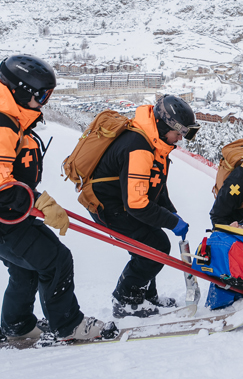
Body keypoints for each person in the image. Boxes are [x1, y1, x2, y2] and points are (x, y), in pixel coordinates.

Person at [0, 54, 116, 342]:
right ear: (21, 90)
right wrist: (40, 201)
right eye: (42, 95)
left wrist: (33, 202)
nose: (45, 102)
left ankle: (17, 327)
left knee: (25, 268)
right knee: (56, 260)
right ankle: (69, 326)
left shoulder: (4, 116)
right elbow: (0, 186)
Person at [88, 95, 198, 318]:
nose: (179, 139)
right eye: (178, 133)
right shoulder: (139, 147)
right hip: (110, 207)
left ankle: (146, 295)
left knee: (149, 244)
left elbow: (156, 184)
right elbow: (137, 204)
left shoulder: (155, 142)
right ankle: (126, 301)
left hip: (124, 202)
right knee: (155, 246)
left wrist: (170, 212)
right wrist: (170, 221)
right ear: (162, 124)